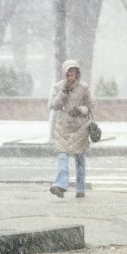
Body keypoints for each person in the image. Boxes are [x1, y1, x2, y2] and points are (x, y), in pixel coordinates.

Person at [49, 59, 95, 198]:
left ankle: (80, 188)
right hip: (63, 126)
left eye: (74, 72)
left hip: (79, 127)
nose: (71, 75)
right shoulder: (58, 87)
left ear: (77, 73)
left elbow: (91, 106)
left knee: (79, 159)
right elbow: (54, 105)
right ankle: (61, 185)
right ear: (65, 73)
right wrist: (64, 92)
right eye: (69, 72)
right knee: (62, 156)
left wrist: (81, 109)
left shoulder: (84, 87)